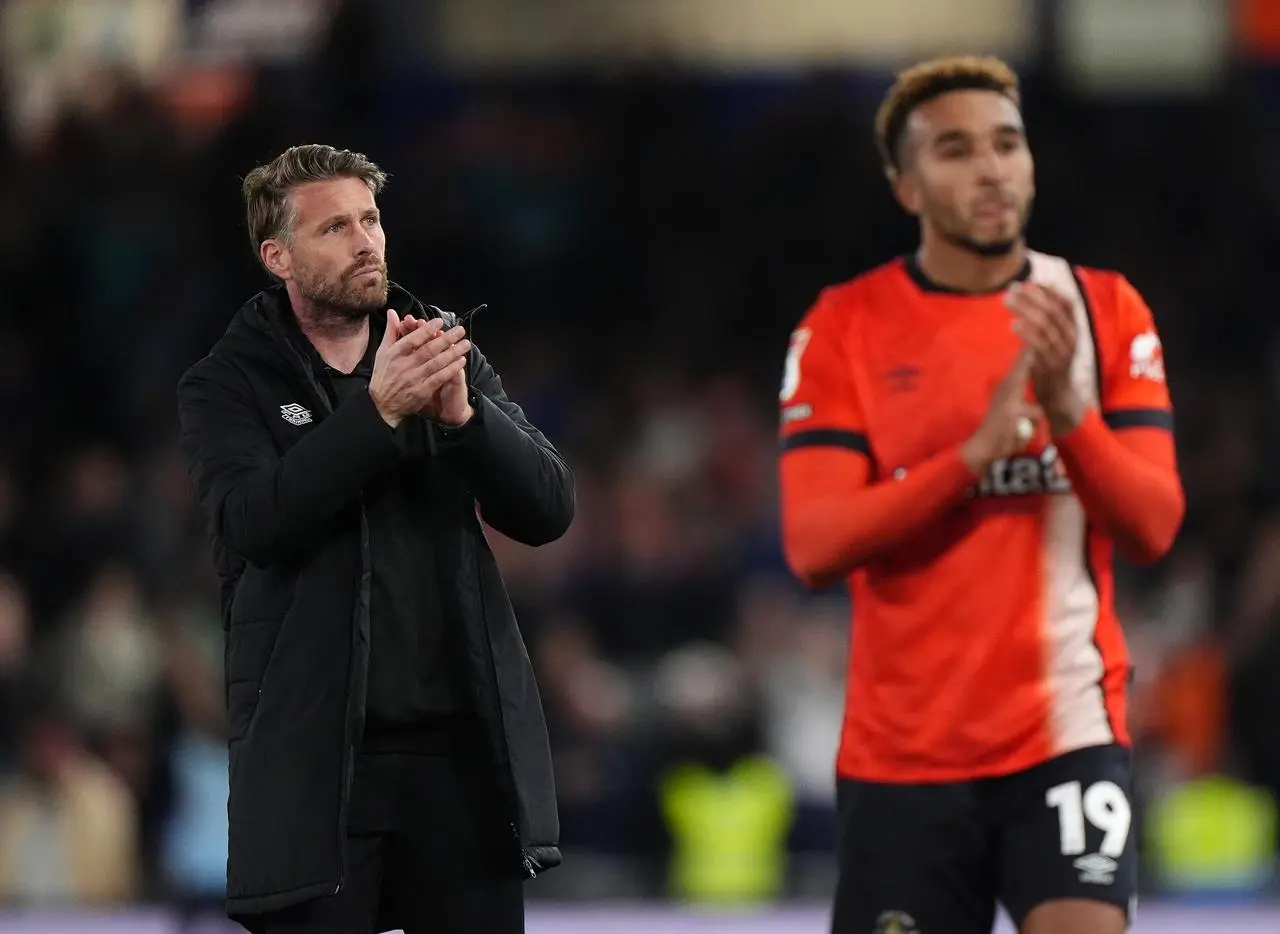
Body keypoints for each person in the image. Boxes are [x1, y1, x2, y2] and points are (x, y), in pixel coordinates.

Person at [777, 56, 1184, 934]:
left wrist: (1070, 414)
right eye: (956, 150)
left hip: (1067, 734)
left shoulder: (1103, 310)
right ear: (908, 187)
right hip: (903, 758)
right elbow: (813, 545)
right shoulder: (843, 326)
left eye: (1007, 144)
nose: (992, 168)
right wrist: (975, 455)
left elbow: (1154, 526)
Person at [177, 144, 574, 934]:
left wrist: (466, 421)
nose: (366, 242)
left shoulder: (436, 351)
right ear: (277, 256)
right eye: (335, 227)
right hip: (318, 764)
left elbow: (548, 510)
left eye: (371, 219)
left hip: (461, 760)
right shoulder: (227, 383)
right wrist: (379, 413)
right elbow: (255, 521)